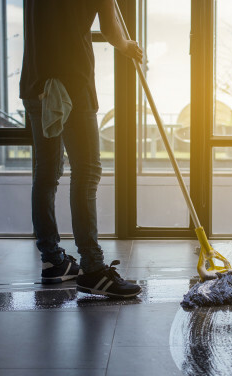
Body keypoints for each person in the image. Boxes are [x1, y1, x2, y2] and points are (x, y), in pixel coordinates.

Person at [19, 0, 142, 298]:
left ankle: (53, 261)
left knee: (46, 173)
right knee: (86, 172)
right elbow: (111, 31)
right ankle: (94, 269)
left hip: (36, 84)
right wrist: (128, 46)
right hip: (72, 85)